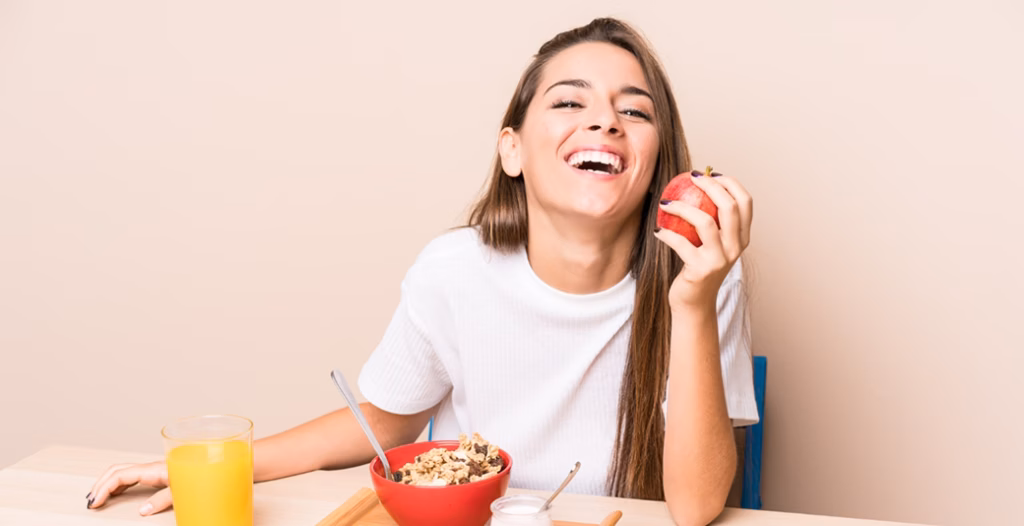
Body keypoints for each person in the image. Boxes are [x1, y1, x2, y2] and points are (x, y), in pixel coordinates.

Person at [86, 17, 757, 526]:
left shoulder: (702, 277)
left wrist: (694, 302)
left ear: (658, 164)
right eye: (569, 102)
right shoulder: (455, 271)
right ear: (513, 151)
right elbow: (385, 420)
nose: (605, 121)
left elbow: (697, 507)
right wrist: (222, 465)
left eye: (634, 111)